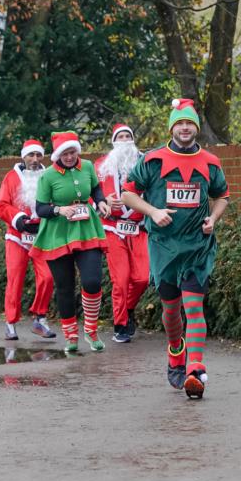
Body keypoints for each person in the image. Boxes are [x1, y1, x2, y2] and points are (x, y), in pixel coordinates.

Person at [121, 98, 230, 398]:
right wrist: (153, 211)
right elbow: (127, 195)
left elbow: (222, 196)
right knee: (171, 311)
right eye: (180, 123)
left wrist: (213, 218)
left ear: (196, 127)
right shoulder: (153, 160)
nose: (185, 128)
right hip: (164, 246)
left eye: (190, 123)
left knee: (194, 307)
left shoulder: (210, 162)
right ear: (172, 127)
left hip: (197, 245)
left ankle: (195, 369)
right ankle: (175, 349)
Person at [33, 131, 111, 354]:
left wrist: (101, 201)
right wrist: (59, 209)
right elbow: (40, 208)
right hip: (57, 232)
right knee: (65, 286)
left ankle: (91, 330)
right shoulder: (47, 176)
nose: (69, 157)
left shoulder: (86, 166)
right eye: (64, 154)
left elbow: (96, 188)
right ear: (57, 155)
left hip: (87, 229)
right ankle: (71, 336)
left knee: (93, 281)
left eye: (72, 152)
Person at [0, 139, 55, 340]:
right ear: (23, 156)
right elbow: (1, 205)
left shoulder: (50, 175)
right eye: (31, 155)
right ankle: (10, 323)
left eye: (38, 155)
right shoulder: (11, 178)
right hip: (16, 237)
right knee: (15, 279)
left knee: (47, 277)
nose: (35, 159)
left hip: (43, 236)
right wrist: (19, 219)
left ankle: (40, 318)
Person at [95, 123, 149, 342]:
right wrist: (101, 202)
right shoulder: (101, 165)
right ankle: (120, 324)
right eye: (121, 137)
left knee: (142, 278)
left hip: (138, 228)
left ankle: (127, 309)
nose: (125, 140)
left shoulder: (146, 162)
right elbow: (92, 193)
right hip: (113, 227)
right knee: (121, 278)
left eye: (128, 136)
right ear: (114, 141)